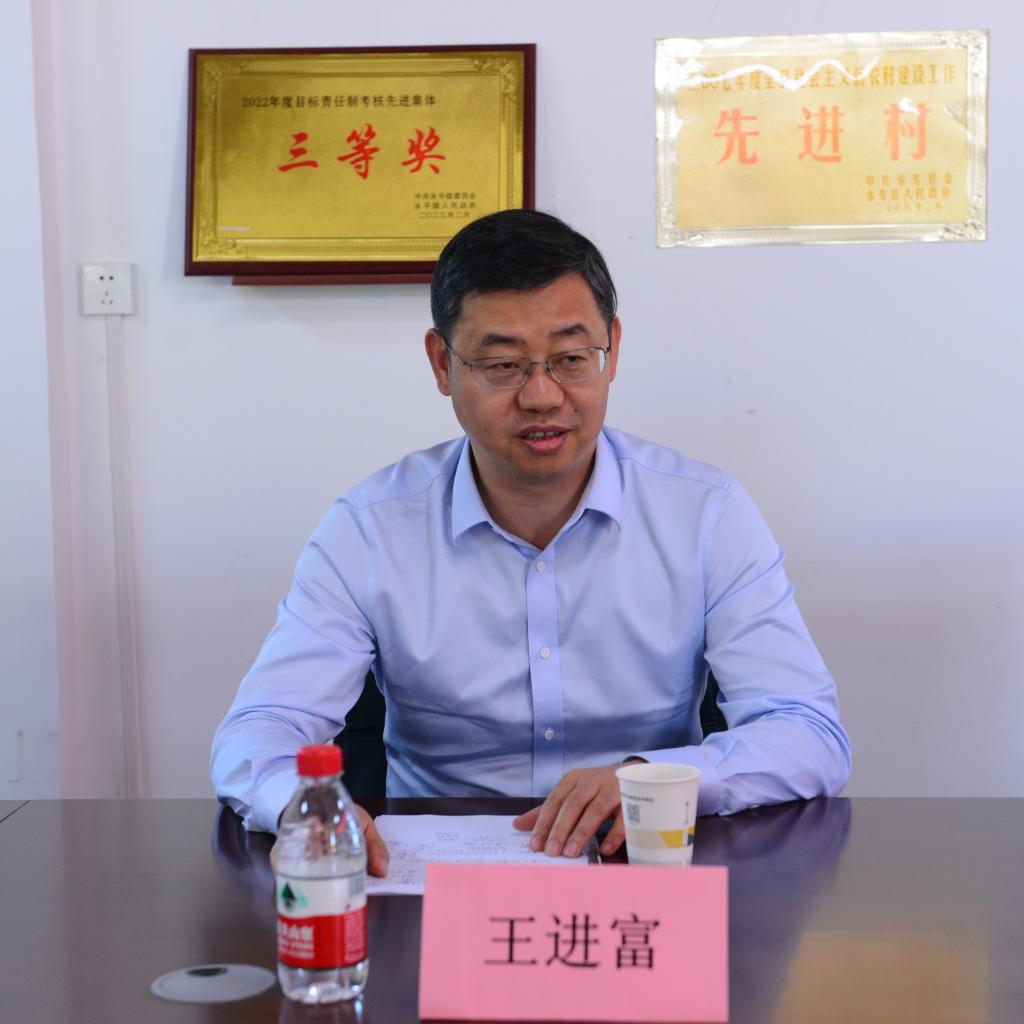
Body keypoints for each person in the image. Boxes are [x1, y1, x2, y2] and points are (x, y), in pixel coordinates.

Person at [211, 210, 851, 876]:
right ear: (442, 364)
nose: (543, 396)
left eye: (572, 359)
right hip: (432, 880)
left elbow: (807, 732)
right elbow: (260, 730)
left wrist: (651, 778)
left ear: (612, 350)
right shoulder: (370, 529)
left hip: (638, 868)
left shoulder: (705, 514)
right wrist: (308, 810)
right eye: (503, 365)